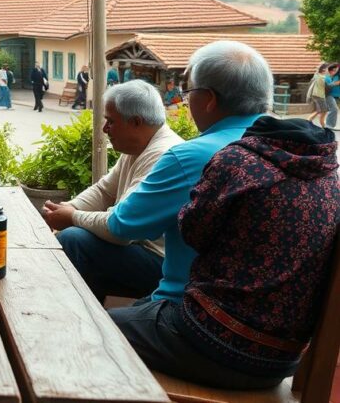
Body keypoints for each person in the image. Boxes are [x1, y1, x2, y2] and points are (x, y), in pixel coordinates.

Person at [117, 115, 338, 389]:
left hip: (212, 340)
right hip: (280, 363)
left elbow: (193, 233)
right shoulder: (330, 179)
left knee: (99, 326)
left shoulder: (236, 160)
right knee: (143, 309)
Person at [107, 41, 272, 336]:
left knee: (97, 327)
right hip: (280, 346)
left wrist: (71, 215)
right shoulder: (295, 151)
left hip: (204, 326)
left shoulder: (194, 156)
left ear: (208, 99)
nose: (186, 102)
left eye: (189, 93)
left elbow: (123, 225)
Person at [41, 81, 183, 301]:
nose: (105, 129)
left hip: (162, 264)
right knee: (77, 242)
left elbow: (121, 232)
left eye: (110, 121)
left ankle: (78, 315)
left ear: (136, 122)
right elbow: (104, 191)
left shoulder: (163, 155)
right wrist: (68, 207)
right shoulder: (139, 147)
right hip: (139, 250)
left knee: (74, 240)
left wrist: (71, 217)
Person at [307, 63, 329, 128]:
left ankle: (323, 126)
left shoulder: (317, 75)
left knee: (321, 111)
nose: (328, 71)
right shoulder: (322, 77)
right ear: (324, 70)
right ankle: (323, 126)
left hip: (317, 95)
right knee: (323, 111)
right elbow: (328, 85)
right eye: (328, 69)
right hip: (319, 96)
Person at [325, 63, 340, 129]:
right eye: (335, 69)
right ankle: (329, 125)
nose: (336, 70)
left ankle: (330, 125)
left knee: (333, 110)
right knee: (334, 109)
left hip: (336, 95)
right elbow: (327, 86)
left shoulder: (336, 76)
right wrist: (335, 83)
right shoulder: (328, 77)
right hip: (330, 95)